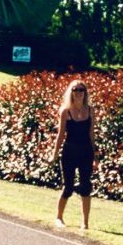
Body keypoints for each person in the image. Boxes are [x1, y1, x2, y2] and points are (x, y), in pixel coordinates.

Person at [51, 80, 98, 229]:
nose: (78, 93)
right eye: (75, 90)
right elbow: (60, 135)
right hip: (69, 152)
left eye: (81, 90)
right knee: (68, 187)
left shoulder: (90, 110)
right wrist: (54, 155)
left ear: (85, 93)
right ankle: (59, 217)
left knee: (86, 186)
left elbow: (91, 134)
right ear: (71, 92)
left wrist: (96, 154)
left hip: (85, 152)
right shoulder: (66, 111)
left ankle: (85, 222)